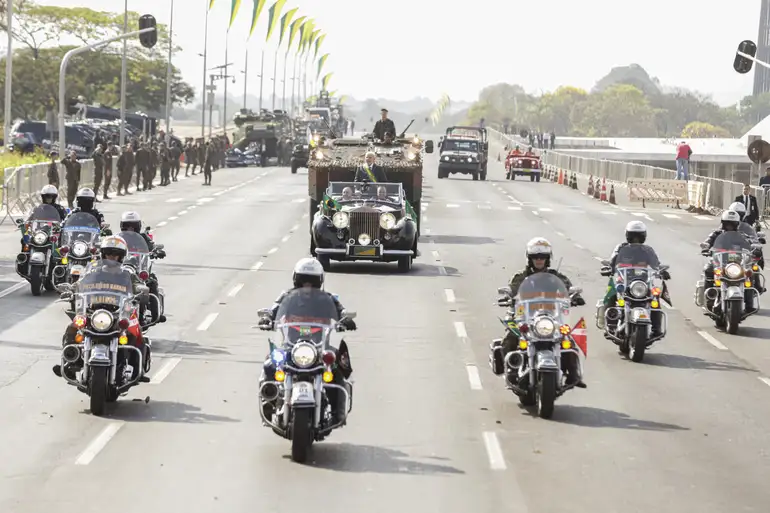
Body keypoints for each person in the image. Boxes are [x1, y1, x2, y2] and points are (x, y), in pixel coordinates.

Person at [258, 258, 356, 423]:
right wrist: (267, 318)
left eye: (312, 281)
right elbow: (273, 310)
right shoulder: (286, 297)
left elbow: (341, 310)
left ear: (319, 282)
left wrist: (346, 319)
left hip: (319, 348)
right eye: (303, 280)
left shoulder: (328, 299)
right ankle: (269, 402)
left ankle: (337, 413)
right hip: (290, 347)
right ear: (297, 280)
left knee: (337, 368)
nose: (307, 285)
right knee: (270, 364)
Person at [52, 235, 150, 382]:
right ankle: (69, 363)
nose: (112, 258)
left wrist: (142, 291)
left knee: (135, 332)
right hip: (94, 311)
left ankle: (138, 369)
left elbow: (138, 287)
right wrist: (70, 290)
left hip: (118, 312)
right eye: (109, 254)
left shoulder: (127, 274)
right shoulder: (93, 272)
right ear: (103, 255)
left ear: (121, 257)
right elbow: (79, 284)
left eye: (115, 254)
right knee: (73, 327)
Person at [493, 237, 586, 388]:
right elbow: (513, 288)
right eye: (535, 257)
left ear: (548, 259)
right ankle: (511, 368)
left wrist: (575, 296)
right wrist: (508, 295)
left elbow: (566, 287)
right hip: (524, 316)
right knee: (511, 336)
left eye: (543, 257)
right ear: (529, 259)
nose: (539, 260)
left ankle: (574, 374)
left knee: (567, 339)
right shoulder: (521, 277)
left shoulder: (555, 276)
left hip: (550, 317)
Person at [602, 221, 670, 334]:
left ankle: (656, 328)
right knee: (612, 293)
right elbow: (613, 261)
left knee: (654, 298)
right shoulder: (620, 248)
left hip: (642, 281)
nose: (636, 239)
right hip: (624, 279)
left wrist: (662, 271)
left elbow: (656, 264)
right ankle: (610, 324)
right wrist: (610, 268)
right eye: (633, 235)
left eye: (638, 236)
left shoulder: (648, 250)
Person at [120, 211, 167, 323]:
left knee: (152, 281)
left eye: (133, 226)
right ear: (122, 226)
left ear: (138, 226)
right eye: (127, 226)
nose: (130, 229)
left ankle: (156, 314)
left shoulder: (144, 238)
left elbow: (151, 246)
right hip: (122, 268)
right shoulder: (119, 239)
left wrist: (156, 251)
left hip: (139, 268)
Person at [701, 211, 747, 308]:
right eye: (727, 223)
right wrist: (706, 246)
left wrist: (755, 249)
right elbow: (708, 240)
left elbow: (749, 243)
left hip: (736, 262)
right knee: (708, 269)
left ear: (737, 224)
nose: (729, 226)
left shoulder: (741, 235)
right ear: (723, 223)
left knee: (748, 273)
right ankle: (709, 297)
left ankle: (749, 301)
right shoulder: (717, 233)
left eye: (732, 224)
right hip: (719, 260)